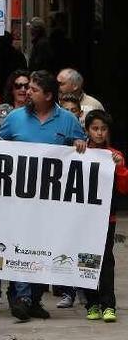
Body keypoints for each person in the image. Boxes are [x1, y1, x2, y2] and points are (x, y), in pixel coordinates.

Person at [0, 70, 87, 322]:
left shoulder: (68, 120)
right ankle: (22, 297)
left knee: (44, 249)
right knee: (20, 245)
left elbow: (84, 153)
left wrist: (79, 145)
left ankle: (33, 299)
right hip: (19, 199)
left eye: (33, 90)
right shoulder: (14, 118)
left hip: (51, 202)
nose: (26, 92)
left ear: (47, 95)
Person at [82, 110, 128, 323]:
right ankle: (91, 303)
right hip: (81, 218)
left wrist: (120, 168)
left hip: (106, 217)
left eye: (103, 129)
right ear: (87, 130)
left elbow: (124, 188)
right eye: (95, 129)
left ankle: (108, 305)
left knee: (106, 261)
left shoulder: (114, 155)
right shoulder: (78, 151)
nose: (99, 133)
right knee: (85, 259)